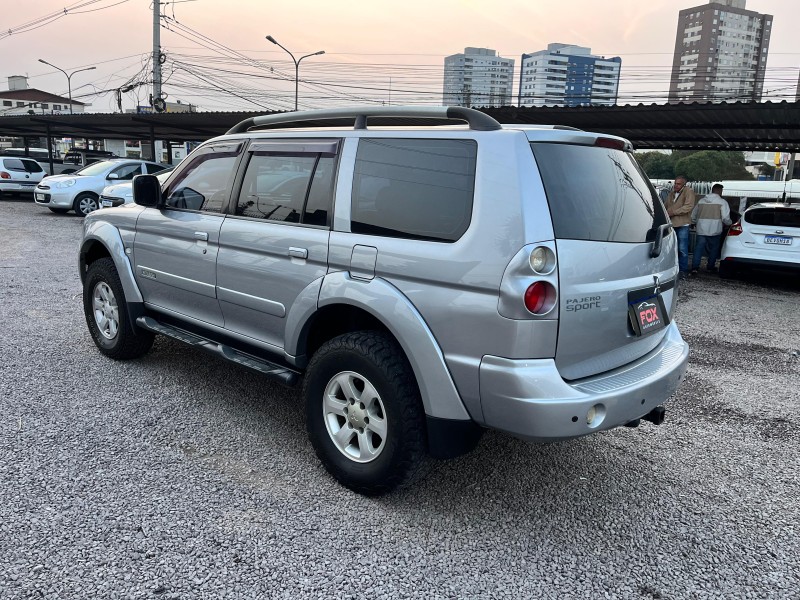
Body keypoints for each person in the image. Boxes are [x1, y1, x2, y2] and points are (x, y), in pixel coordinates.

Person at [690, 183, 731, 275]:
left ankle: (695, 267)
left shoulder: (701, 201)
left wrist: (693, 222)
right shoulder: (722, 202)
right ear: (720, 191)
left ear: (712, 190)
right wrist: (730, 224)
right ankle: (710, 267)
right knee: (714, 249)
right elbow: (725, 218)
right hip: (715, 229)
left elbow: (694, 214)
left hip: (701, 229)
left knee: (698, 248)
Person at [664, 176, 696, 278]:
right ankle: (671, 269)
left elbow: (688, 207)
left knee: (682, 249)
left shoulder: (689, 191)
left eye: (678, 184)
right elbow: (666, 206)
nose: (676, 185)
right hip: (671, 224)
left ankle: (682, 271)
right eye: (675, 183)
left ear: (684, 184)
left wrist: (673, 212)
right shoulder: (671, 193)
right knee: (670, 248)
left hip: (683, 224)